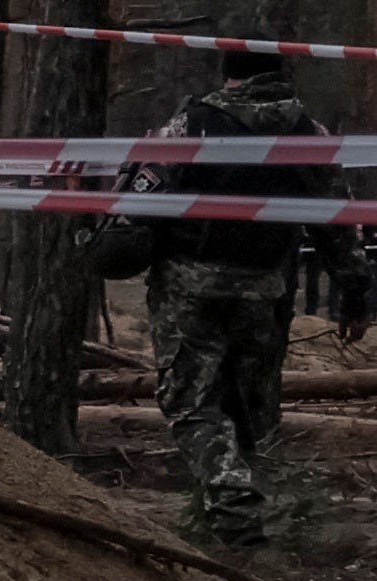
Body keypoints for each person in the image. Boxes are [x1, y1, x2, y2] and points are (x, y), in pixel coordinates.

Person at [93, 48, 374, 542]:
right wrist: (354, 294)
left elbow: (139, 201)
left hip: (189, 286)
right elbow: (338, 223)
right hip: (265, 290)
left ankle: (232, 501)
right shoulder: (309, 134)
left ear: (228, 74)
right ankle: (242, 507)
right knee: (250, 405)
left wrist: (110, 241)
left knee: (191, 401)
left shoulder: (191, 125)